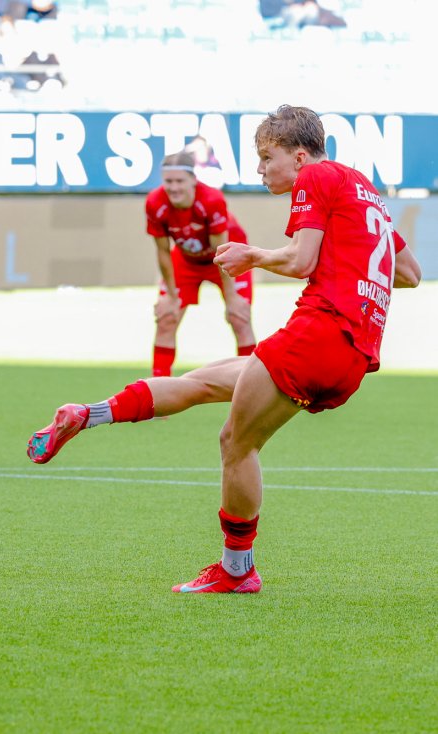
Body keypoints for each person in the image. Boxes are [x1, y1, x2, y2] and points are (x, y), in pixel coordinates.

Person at [27, 105, 421, 593]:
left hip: (320, 332)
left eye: (265, 157)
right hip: (353, 352)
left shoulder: (317, 176)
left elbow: (302, 261)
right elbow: (409, 274)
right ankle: (86, 414)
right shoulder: (364, 191)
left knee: (236, 442)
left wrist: (253, 254)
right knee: (203, 381)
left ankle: (237, 570)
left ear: (299, 157)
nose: (259, 169)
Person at [146, 150, 255, 377]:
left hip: (227, 256)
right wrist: (171, 297)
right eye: (168, 181)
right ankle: (159, 393)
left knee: (239, 318)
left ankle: (250, 386)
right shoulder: (155, 202)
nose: (174, 187)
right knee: (167, 317)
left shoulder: (212, 200)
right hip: (186, 261)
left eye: (179, 181)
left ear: (193, 180)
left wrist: (232, 298)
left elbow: (221, 253)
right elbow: (163, 251)